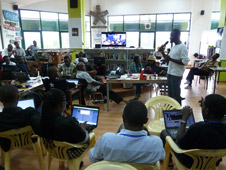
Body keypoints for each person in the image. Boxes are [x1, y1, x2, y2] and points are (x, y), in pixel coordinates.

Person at [89, 101, 165, 164]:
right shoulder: (156, 143)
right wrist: (149, 136)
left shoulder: (107, 139)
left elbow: (92, 157)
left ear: (123, 119)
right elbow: (162, 156)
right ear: (146, 121)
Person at [162, 94, 226, 169]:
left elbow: (178, 141)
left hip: (190, 162)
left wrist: (184, 119)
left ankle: (169, 162)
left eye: (203, 106)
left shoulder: (197, 129)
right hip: (214, 162)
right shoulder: (223, 128)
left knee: (165, 133)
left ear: (207, 111)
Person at [0, 85, 39, 151]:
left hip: (7, 145)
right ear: (18, 97)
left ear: (0, 100)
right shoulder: (30, 112)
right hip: (31, 140)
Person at [160, 29, 189, 105]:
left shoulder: (182, 47)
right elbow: (168, 60)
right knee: (170, 95)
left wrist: (171, 59)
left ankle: (178, 113)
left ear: (177, 36)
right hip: (170, 73)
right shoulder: (174, 47)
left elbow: (185, 62)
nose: (170, 38)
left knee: (176, 96)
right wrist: (162, 52)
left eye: (171, 35)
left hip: (176, 75)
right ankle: (172, 112)